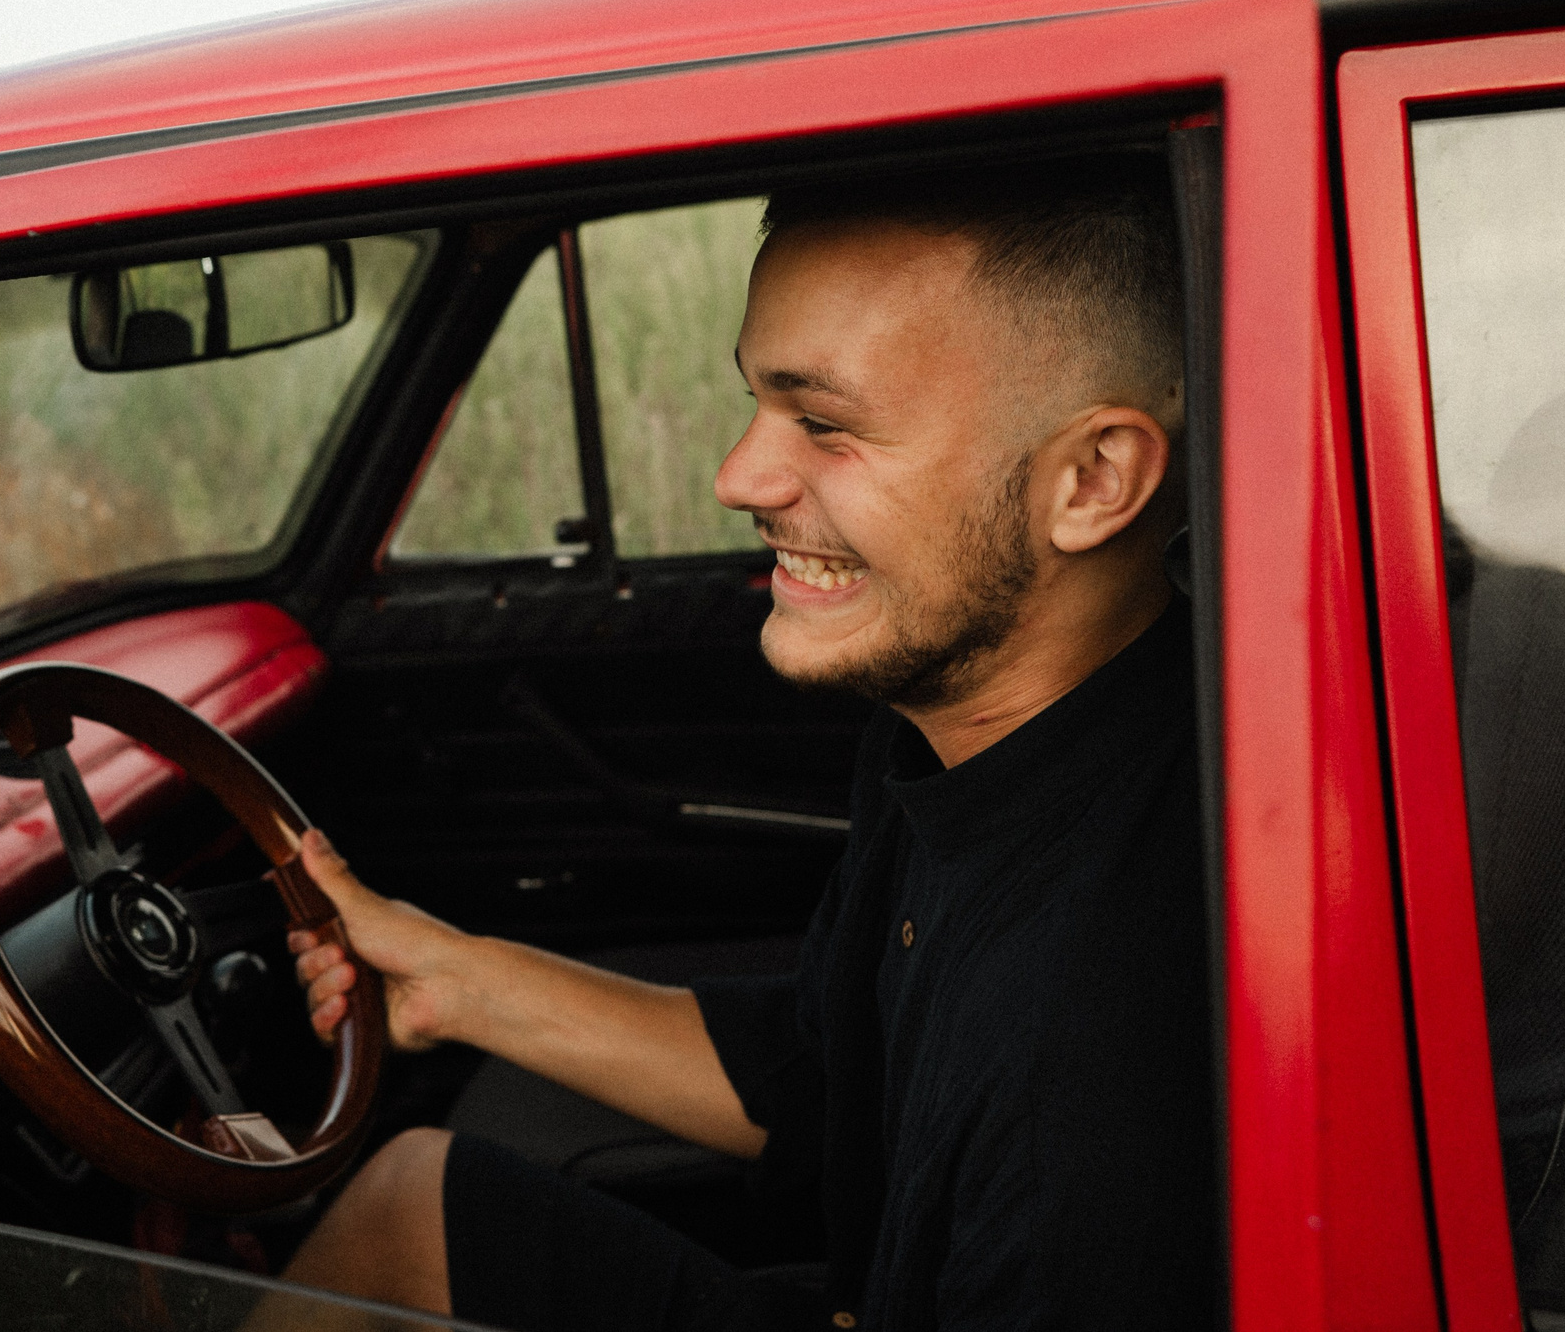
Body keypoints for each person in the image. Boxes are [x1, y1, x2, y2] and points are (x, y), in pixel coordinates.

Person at [282, 160, 1220, 1331]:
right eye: (758, 404)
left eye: (825, 424)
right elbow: (828, 1072)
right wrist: (453, 978)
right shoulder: (961, 726)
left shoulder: (1100, 1047)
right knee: (412, 1200)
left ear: (1090, 479)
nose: (737, 476)